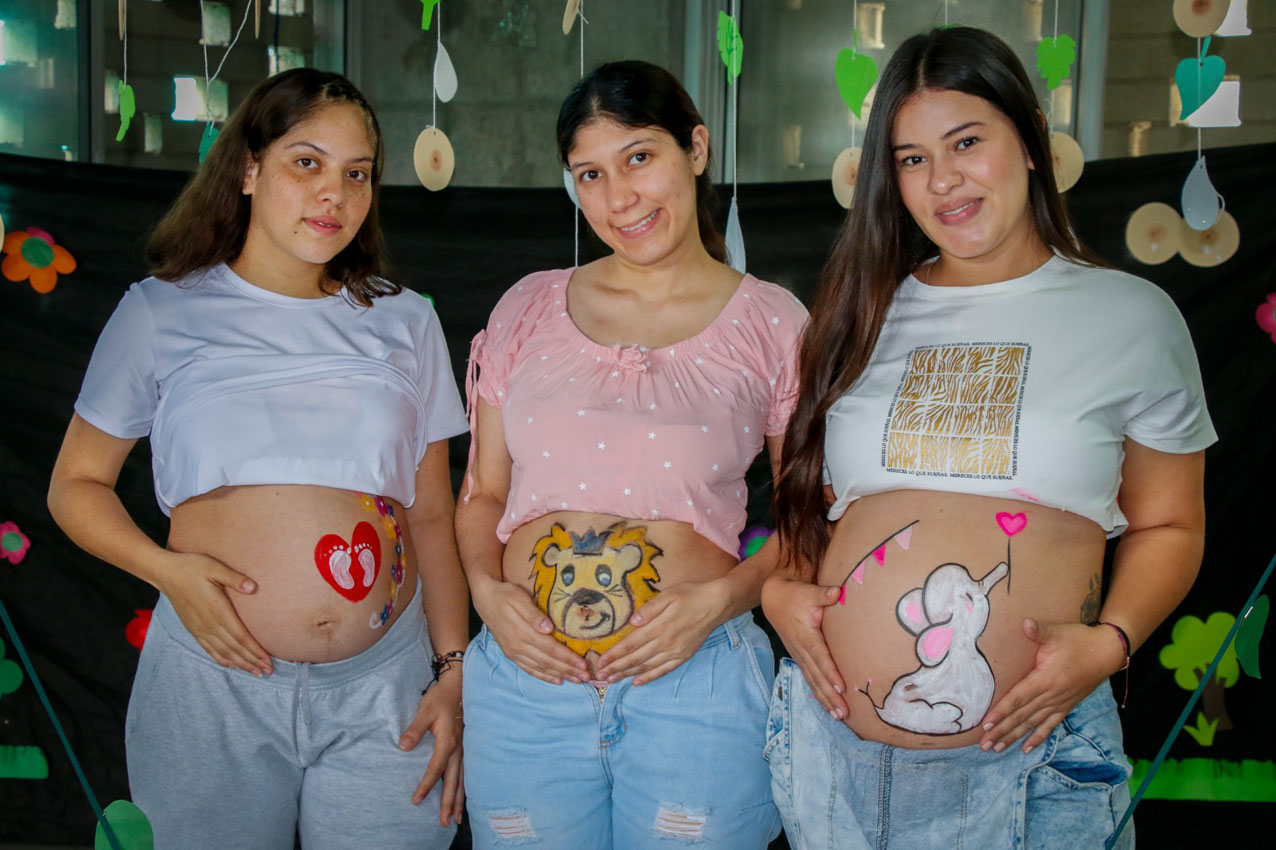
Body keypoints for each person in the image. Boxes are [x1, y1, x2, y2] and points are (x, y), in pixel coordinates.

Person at [763, 26, 1214, 850]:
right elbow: (813, 506)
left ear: (1032, 140)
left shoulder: (1132, 317)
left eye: (967, 142)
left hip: (1037, 763)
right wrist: (780, 590)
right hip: (835, 762)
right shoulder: (855, 315)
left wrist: (1110, 644)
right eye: (911, 158)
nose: (943, 179)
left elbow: (1172, 524)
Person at [47, 68, 470, 850]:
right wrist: (168, 573)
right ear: (248, 169)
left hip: (387, 686)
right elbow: (75, 485)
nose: (333, 194)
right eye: (306, 163)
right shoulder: (159, 310)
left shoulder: (405, 321)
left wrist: (454, 671)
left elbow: (433, 516)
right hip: (212, 681)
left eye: (357, 174)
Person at [456, 60, 807, 849]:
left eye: (639, 157)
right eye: (591, 173)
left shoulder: (774, 324)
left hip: (694, 686)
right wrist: (487, 594)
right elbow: (482, 495)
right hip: (524, 689)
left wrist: (721, 601)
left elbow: (808, 516)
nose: (619, 198)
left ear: (697, 149)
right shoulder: (526, 307)